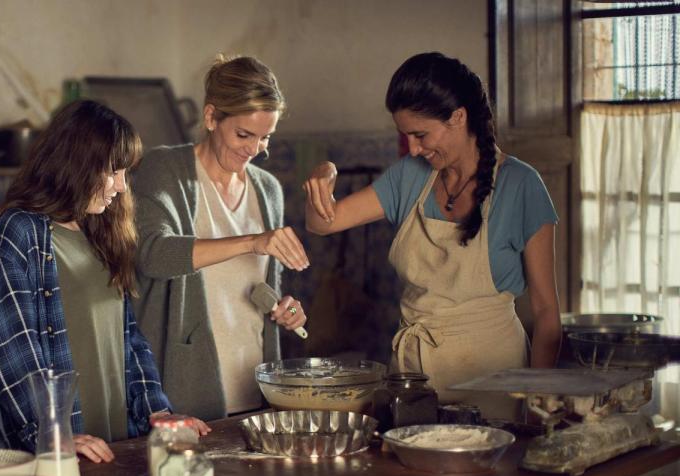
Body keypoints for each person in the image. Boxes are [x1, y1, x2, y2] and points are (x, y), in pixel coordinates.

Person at [303, 52, 561, 419]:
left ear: (458, 117)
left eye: (420, 134)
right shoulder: (410, 176)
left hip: (494, 382)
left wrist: (540, 401)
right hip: (413, 380)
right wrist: (322, 174)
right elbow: (322, 223)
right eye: (406, 136)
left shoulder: (520, 185)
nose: (413, 149)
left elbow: (547, 311)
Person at [0, 99, 210, 464]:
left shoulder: (100, 230)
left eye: (125, 173)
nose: (120, 185)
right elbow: (12, 351)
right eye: (113, 171)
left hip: (115, 441)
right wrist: (52, 434)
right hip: (60, 449)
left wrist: (157, 412)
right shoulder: (18, 232)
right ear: (77, 164)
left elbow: (128, 336)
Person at [131, 55, 309, 422]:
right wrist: (252, 242)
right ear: (211, 117)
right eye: (244, 135)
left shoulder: (268, 190)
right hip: (183, 391)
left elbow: (257, 289)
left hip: (256, 388)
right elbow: (152, 255)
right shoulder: (164, 170)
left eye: (265, 138)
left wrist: (285, 309)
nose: (254, 149)